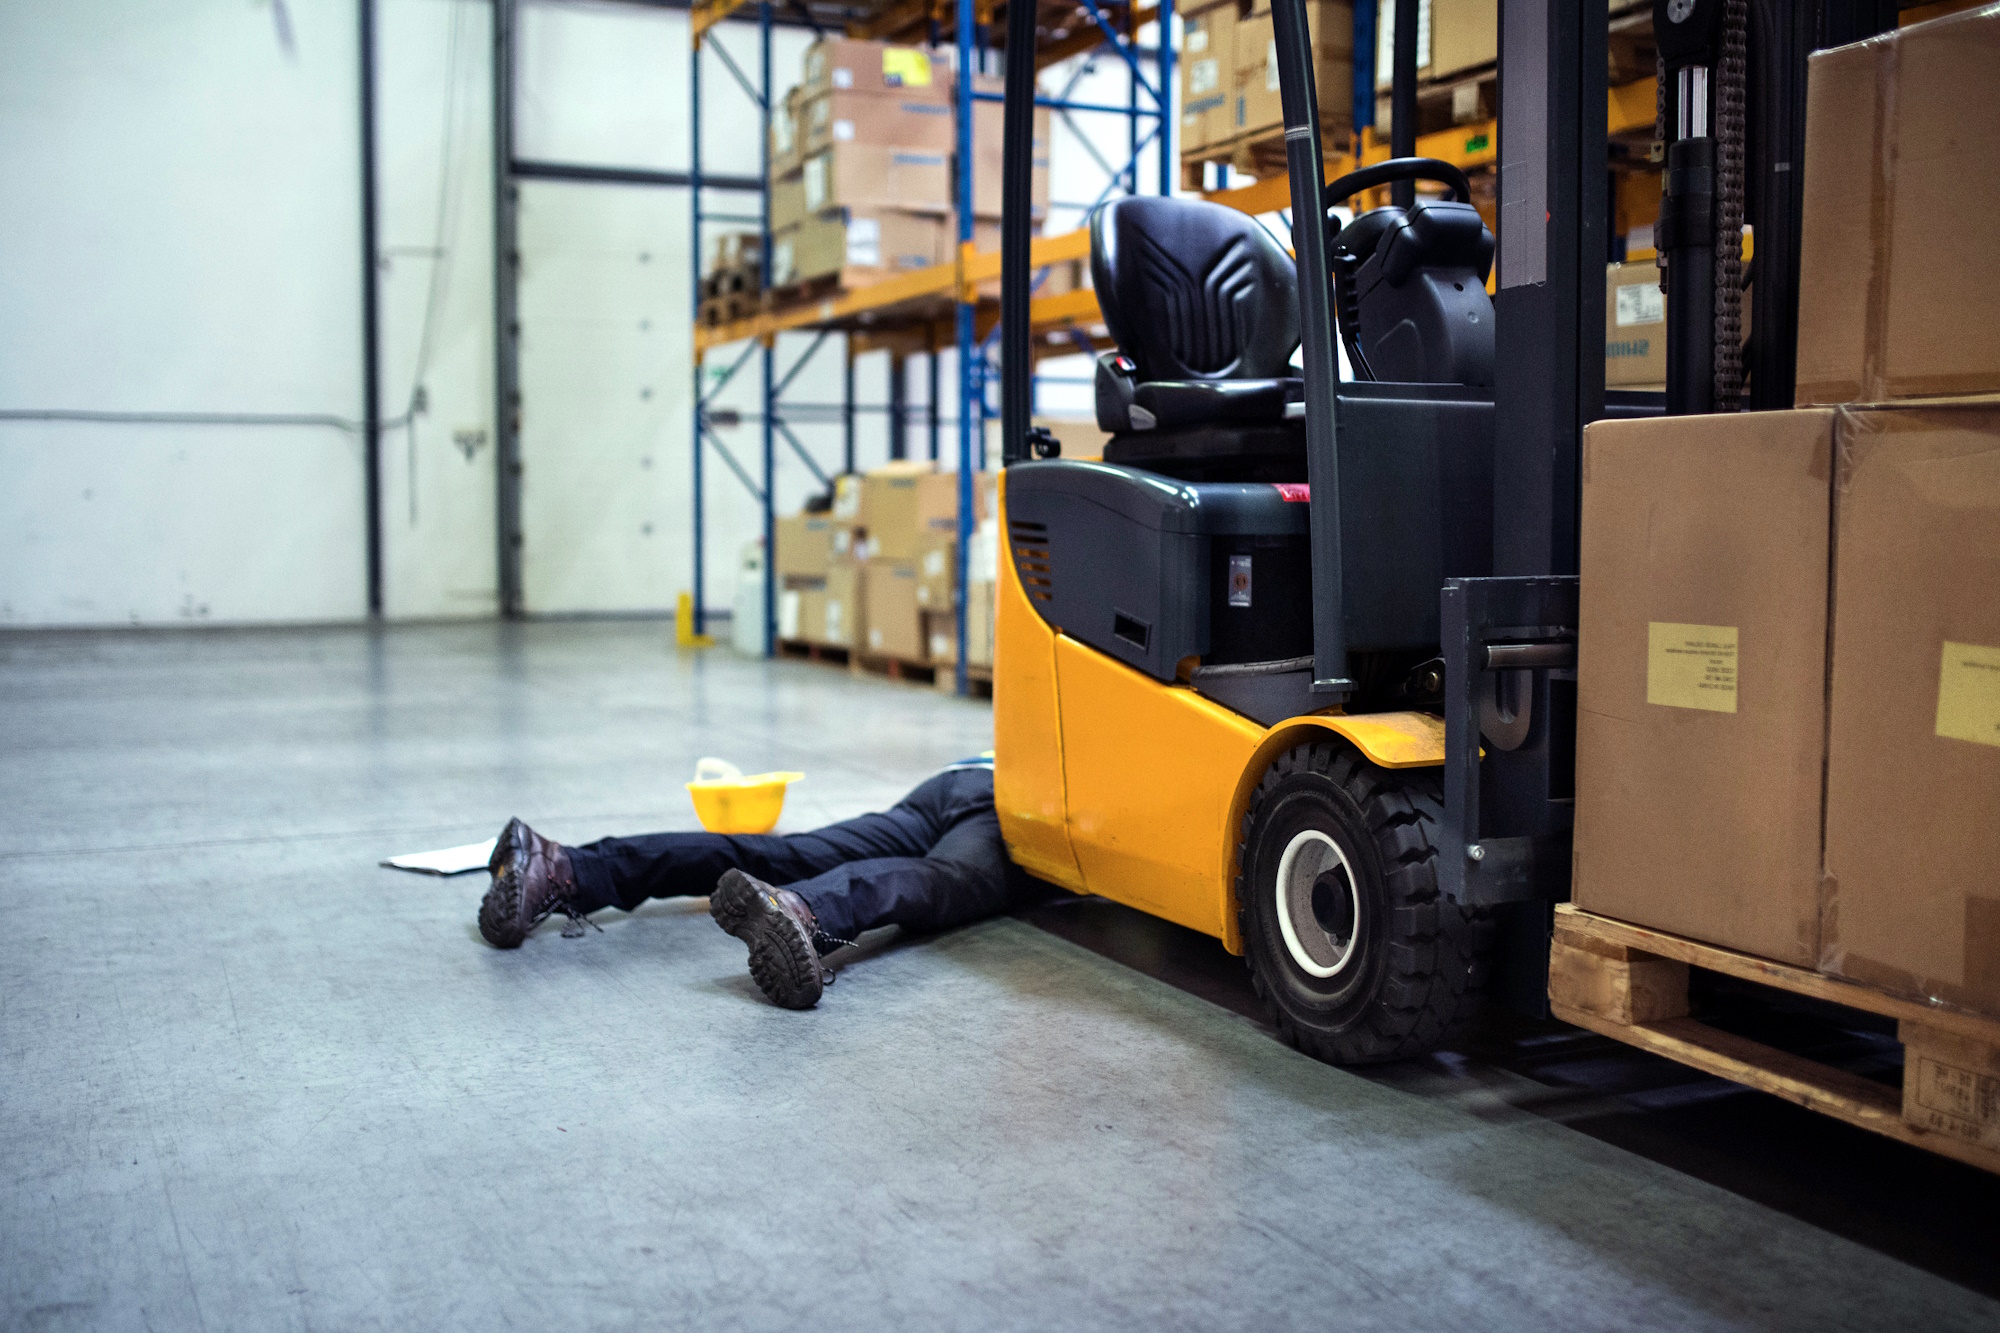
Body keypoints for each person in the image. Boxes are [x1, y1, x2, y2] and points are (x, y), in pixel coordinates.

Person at [477, 756, 1033, 1009]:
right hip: (1028, 804)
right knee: (946, 880)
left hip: (961, 777)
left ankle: (558, 866)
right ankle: (803, 911)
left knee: (789, 851)